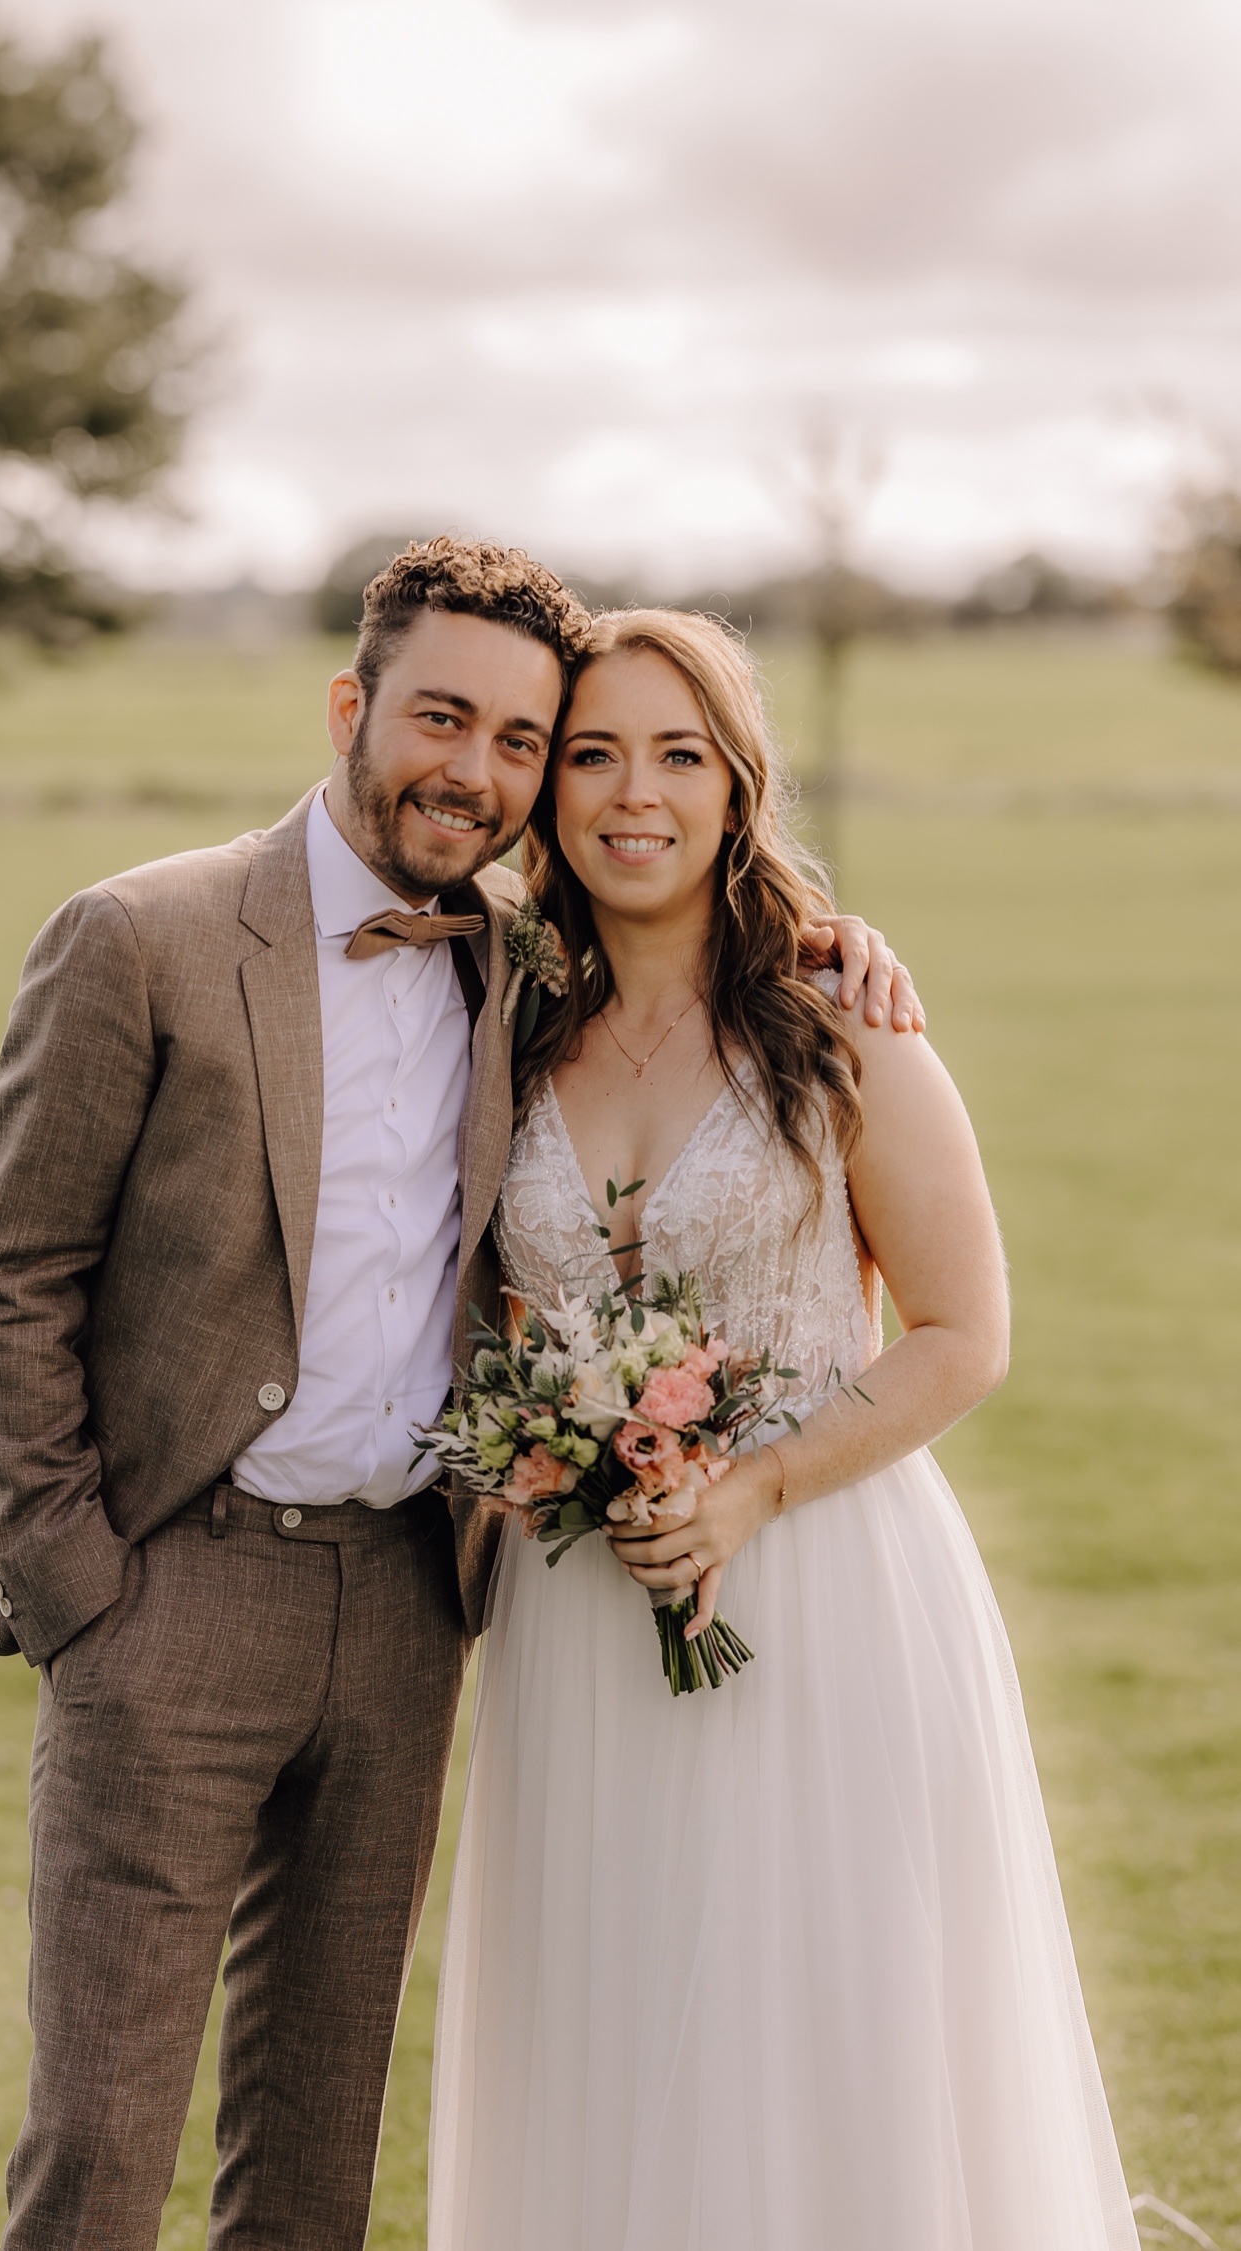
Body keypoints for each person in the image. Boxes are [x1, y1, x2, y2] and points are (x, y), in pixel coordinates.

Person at [0, 538, 920, 2251]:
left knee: (316, 2154)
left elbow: (689, 934)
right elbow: (11, 1285)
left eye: (520, 741)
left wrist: (823, 931)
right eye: (441, 719)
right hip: (171, 1591)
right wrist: (76, 1586)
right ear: (354, 707)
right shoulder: (142, 936)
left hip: (417, 1604)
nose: (475, 772)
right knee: (100, 2145)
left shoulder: (522, 967)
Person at [428, 607, 1140, 2251]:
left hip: (826, 1593)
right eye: (592, 753)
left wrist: (750, 1489)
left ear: (740, 787)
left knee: (827, 2016)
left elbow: (965, 1334)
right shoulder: (505, 1029)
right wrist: (562, 1448)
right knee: (605, 2017)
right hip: (584, 1612)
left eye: (680, 754)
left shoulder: (840, 1027)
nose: (633, 796)